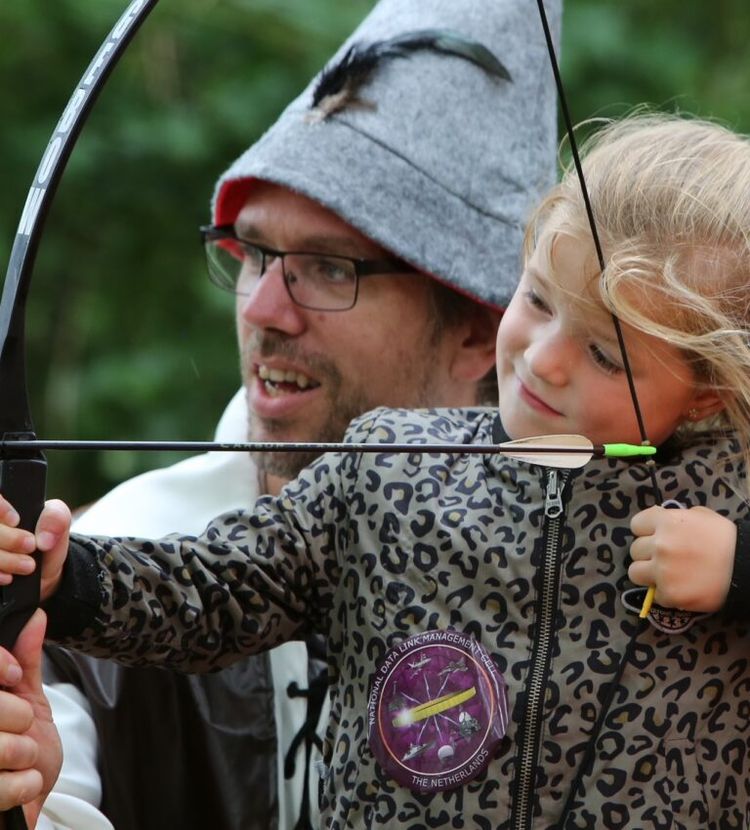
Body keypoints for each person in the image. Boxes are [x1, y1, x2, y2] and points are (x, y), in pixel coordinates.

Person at [3, 111, 750, 827]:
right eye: (538, 299)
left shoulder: (730, 498)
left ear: (705, 392)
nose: (544, 359)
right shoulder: (389, 470)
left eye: (604, 353)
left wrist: (740, 568)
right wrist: (64, 577)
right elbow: (219, 588)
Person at [0, 0, 562, 827]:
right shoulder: (127, 545)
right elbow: (55, 790)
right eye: (256, 251)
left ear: (479, 329)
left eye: (329, 269)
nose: (264, 306)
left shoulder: (605, 557)